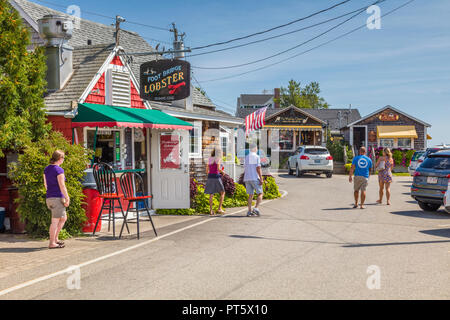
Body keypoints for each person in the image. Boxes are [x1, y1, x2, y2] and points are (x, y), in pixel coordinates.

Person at [43, 150, 70, 249]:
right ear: (60, 159)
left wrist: (50, 192)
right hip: (57, 197)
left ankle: (55, 238)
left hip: (49, 197)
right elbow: (62, 185)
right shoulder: (59, 170)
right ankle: (52, 243)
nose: (63, 160)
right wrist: (67, 198)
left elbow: (45, 184)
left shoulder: (46, 169)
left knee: (63, 218)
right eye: (63, 158)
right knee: (55, 221)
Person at [244, 144, 264, 217]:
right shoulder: (256, 156)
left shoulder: (246, 157)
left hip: (247, 178)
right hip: (254, 177)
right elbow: (258, 168)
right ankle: (256, 208)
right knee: (260, 193)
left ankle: (249, 211)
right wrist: (261, 178)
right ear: (255, 148)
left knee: (250, 195)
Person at [204, 148, 226, 215]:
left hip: (210, 177)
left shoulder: (210, 159)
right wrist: (223, 172)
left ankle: (211, 210)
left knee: (211, 194)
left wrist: (209, 173)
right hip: (216, 177)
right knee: (222, 192)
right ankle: (219, 208)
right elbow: (218, 169)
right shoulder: (218, 159)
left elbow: (207, 170)